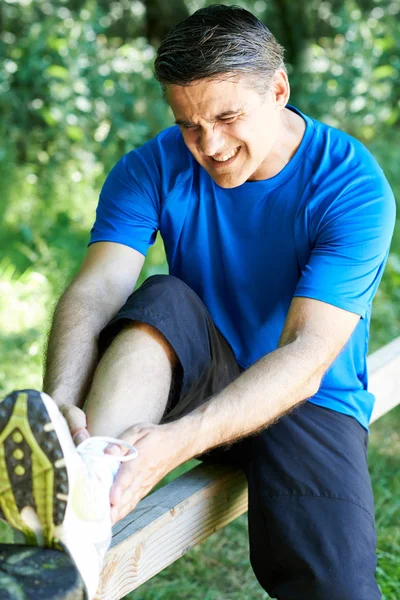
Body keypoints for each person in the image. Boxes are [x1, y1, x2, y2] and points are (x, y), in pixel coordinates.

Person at [0, 4, 396, 599]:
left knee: (338, 587)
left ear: (279, 89)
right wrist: (61, 404)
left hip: (306, 396)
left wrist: (179, 443)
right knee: (162, 298)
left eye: (227, 117)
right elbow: (98, 287)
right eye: (189, 124)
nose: (208, 144)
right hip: (197, 370)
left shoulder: (351, 186)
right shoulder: (151, 167)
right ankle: (83, 487)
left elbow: (307, 352)